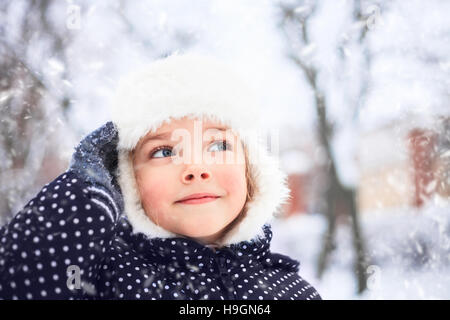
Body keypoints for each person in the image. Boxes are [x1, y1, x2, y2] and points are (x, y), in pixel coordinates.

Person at [0, 53, 321, 300]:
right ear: (125, 177)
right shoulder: (98, 276)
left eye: (218, 145)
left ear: (252, 169)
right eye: (164, 152)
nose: (195, 169)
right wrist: (85, 193)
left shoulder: (292, 291)